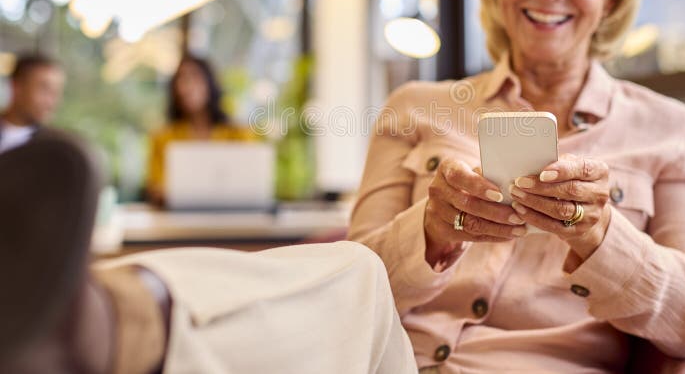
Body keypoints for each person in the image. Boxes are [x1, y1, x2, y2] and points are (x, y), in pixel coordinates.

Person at [348, 0, 685, 373]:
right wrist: (429, 231)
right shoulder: (413, 107)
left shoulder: (671, 129)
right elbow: (348, 291)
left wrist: (602, 236)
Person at [0, 129, 417, 374]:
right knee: (357, 273)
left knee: (354, 273)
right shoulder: (167, 134)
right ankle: (100, 322)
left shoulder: (232, 131)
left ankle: (97, 324)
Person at [145, 54, 254, 205]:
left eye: (194, 77)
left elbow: (252, 181)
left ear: (210, 83)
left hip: (232, 218)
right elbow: (155, 187)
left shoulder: (239, 133)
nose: (186, 86)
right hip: (177, 221)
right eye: (180, 79)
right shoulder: (161, 137)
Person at [0, 53, 64, 153]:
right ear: (17, 87)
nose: (51, 102)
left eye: (56, 92)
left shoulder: (55, 148)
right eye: (44, 89)